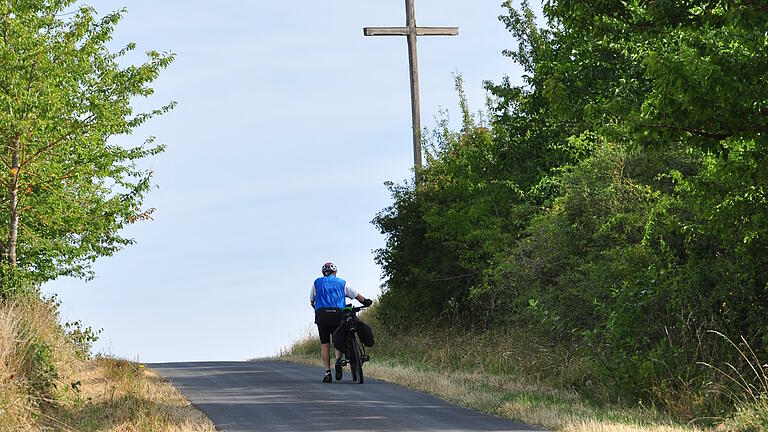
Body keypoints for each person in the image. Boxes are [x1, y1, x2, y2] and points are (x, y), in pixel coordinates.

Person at [310, 262, 373, 383]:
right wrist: (366, 301)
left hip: (322, 315)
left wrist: (319, 309)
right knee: (337, 337)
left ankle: (328, 373)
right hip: (338, 314)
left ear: (323, 273)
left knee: (325, 344)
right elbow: (356, 295)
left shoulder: (317, 282)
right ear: (335, 272)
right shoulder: (342, 282)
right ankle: (338, 360)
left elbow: (312, 301)